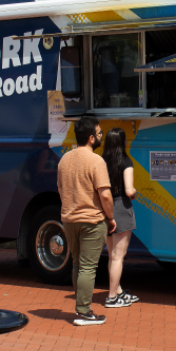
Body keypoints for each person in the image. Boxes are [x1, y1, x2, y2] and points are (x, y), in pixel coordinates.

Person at [57, 116, 116, 326]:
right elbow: (105, 195)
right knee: (88, 267)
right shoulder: (96, 161)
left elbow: (61, 190)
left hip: (69, 219)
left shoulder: (64, 159)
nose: (101, 137)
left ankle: (81, 307)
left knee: (77, 264)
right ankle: (84, 311)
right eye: (99, 134)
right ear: (91, 138)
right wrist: (110, 217)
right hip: (91, 220)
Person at [101, 128, 140, 309]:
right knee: (118, 256)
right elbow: (129, 190)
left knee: (112, 255)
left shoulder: (101, 162)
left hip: (104, 208)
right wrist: (135, 193)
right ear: (123, 142)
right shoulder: (126, 162)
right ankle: (112, 297)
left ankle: (117, 291)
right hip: (121, 208)